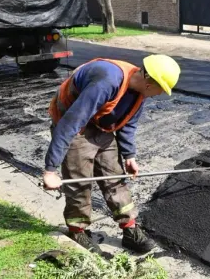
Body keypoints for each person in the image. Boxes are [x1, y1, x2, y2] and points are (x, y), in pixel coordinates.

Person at [42, 55, 181, 254]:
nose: (159, 95)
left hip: (100, 126)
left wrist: (129, 156)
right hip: (74, 124)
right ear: (150, 82)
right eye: (161, 90)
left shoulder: (138, 93)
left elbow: (128, 123)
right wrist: (50, 169)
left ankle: (130, 229)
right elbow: (71, 122)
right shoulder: (107, 80)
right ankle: (77, 230)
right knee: (79, 181)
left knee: (115, 177)